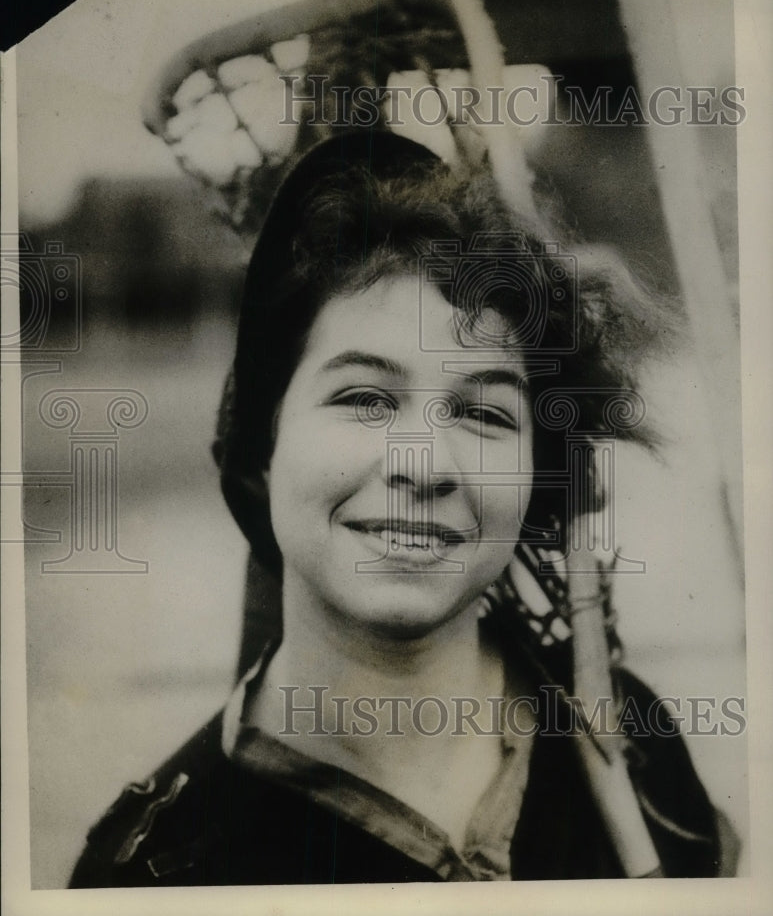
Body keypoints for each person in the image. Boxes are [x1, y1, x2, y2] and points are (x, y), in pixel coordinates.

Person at [69, 130, 737, 887]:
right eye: (363, 397)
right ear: (263, 445)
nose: (423, 466)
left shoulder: (631, 749)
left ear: (533, 476)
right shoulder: (159, 869)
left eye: (485, 414)